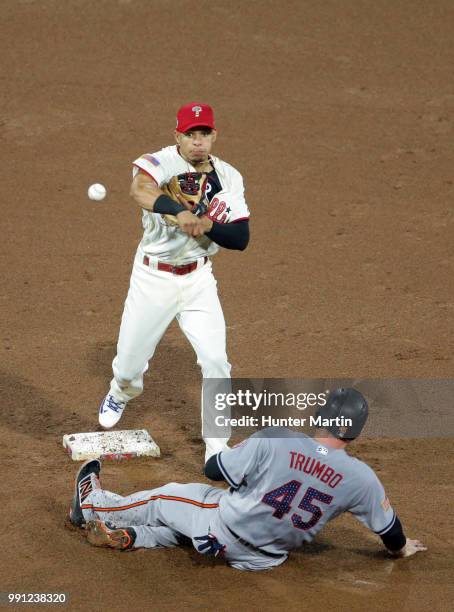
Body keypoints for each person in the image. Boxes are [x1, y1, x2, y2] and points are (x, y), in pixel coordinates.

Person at [71, 388, 427, 571]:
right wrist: (402, 549)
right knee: (183, 530)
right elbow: (392, 535)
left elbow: (213, 471)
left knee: (167, 498)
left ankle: (91, 507)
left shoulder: (278, 438)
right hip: (264, 559)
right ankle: (133, 538)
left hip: (221, 529)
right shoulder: (363, 479)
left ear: (321, 415)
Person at [98, 102, 250, 461]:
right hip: (153, 277)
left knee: (216, 360)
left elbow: (241, 237)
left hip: (198, 279)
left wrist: (208, 225)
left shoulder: (229, 177)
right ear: (177, 136)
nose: (198, 142)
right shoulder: (160, 161)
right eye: (190, 134)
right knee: (129, 365)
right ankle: (120, 391)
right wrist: (178, 211)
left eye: (204, 134)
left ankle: (217, 448)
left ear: (214, 136)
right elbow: (139, 190)